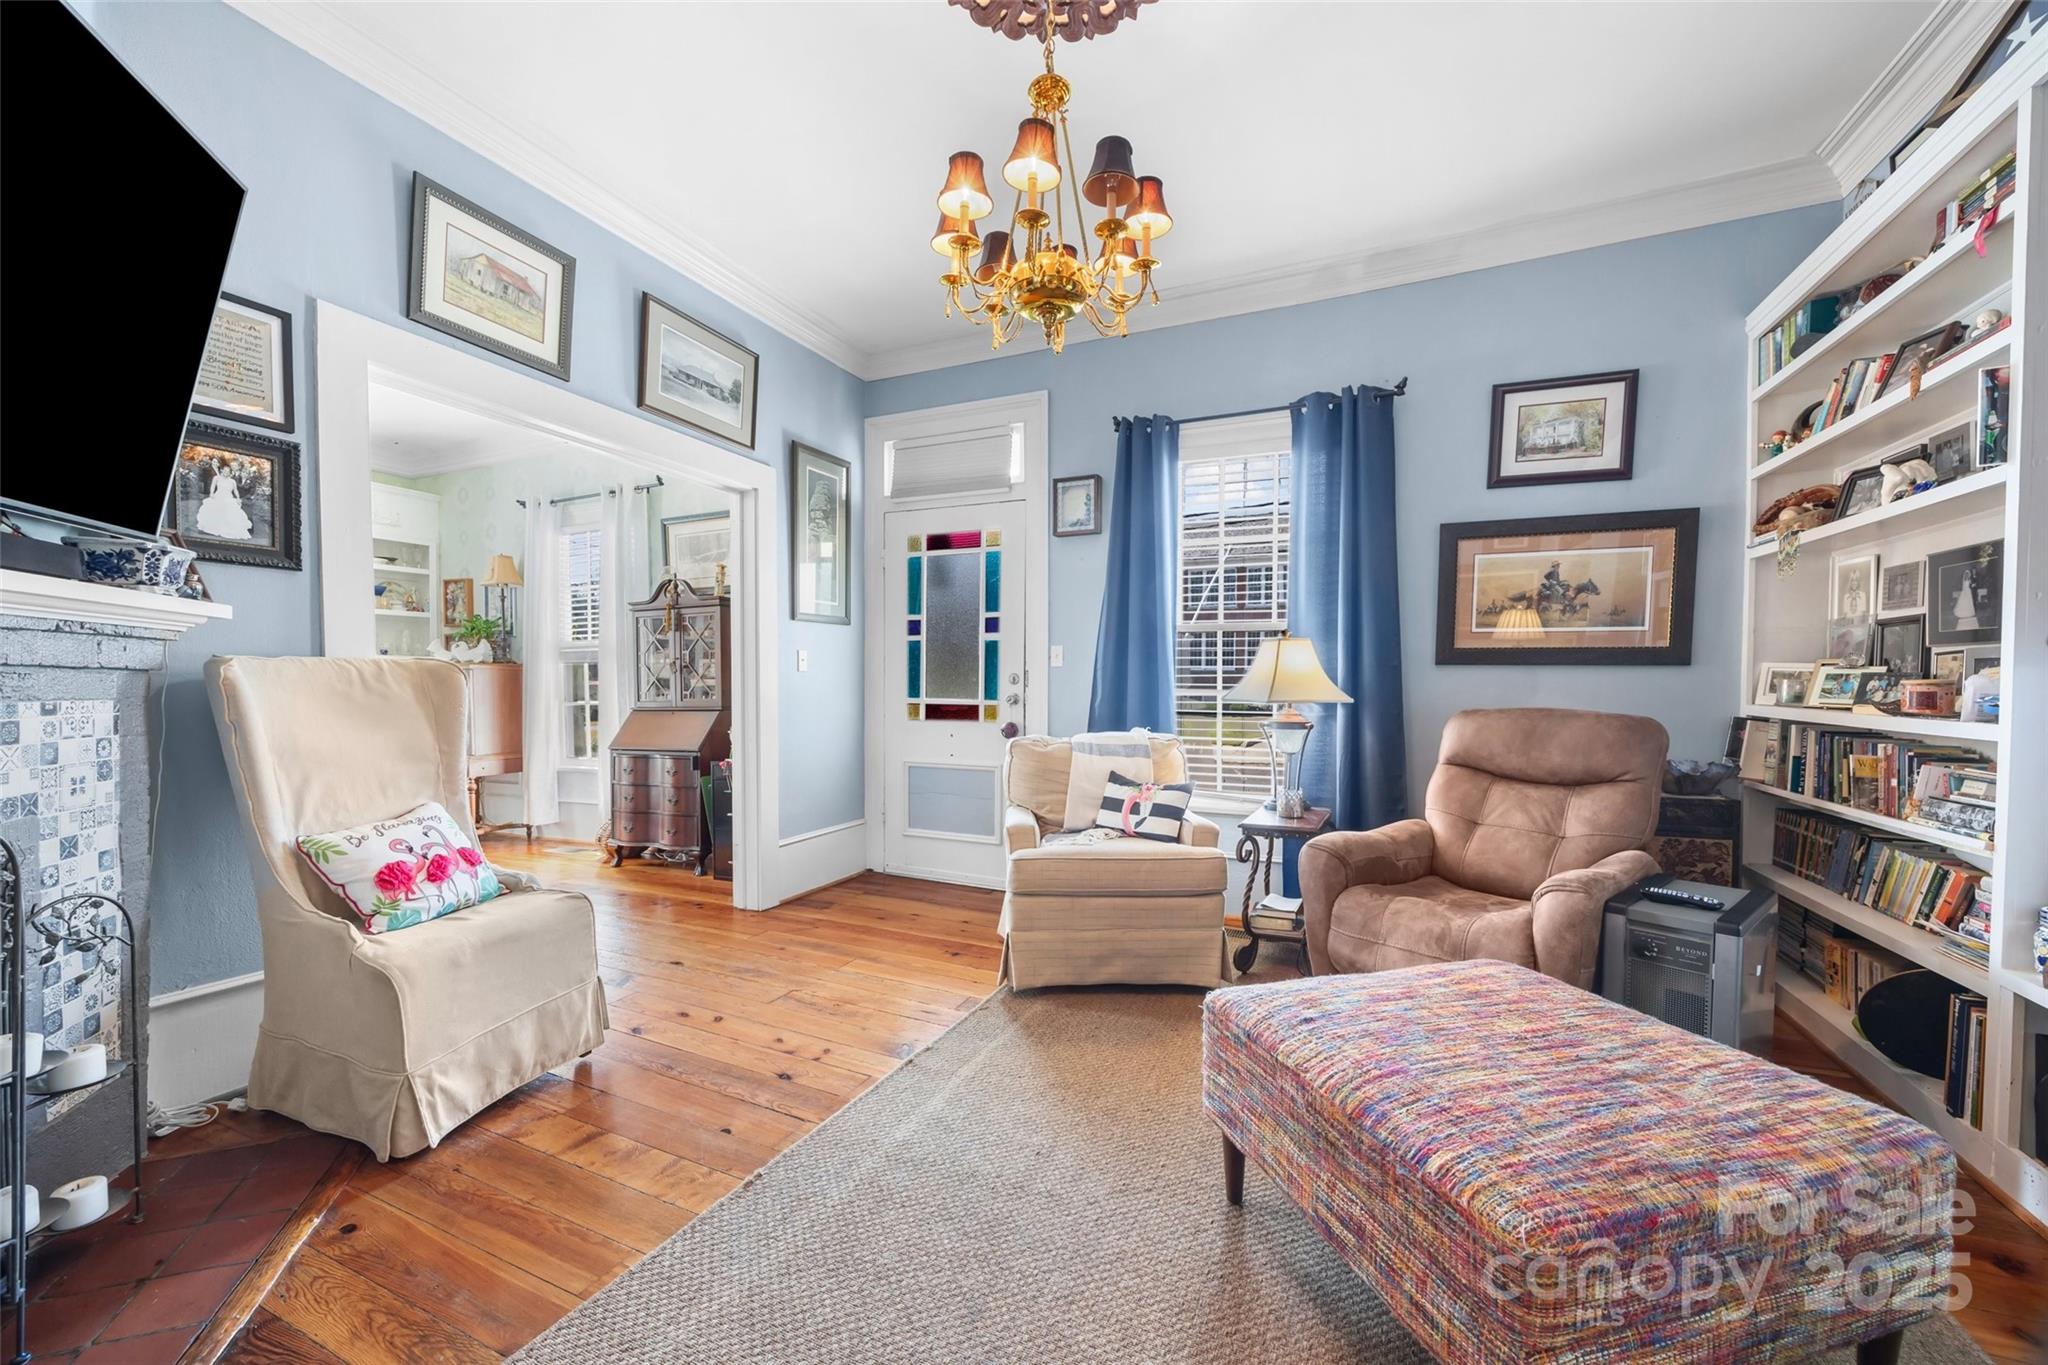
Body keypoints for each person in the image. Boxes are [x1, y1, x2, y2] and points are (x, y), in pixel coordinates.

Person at [194, 463, 253, 541]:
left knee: (229, 512)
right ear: (222, 471)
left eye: (228, 471)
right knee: (215, 511)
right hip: (218, 496)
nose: (226, 472)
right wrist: (211, 493)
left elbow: (235, 490)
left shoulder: (232, 481)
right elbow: (212, 486)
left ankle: (227, 529)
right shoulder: (216, 478)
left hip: (228, 498)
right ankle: (213, 529)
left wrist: (238, 498)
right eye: (225, 471)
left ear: (230, 472)